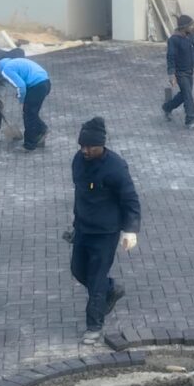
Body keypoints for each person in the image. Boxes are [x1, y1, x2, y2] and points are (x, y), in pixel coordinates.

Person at [69, 117, 141, 344]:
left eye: (90, 146)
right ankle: (112, 289)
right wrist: (76, 223)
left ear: (102, 145)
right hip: (83, 228)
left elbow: (130, 199)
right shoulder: (78, 161)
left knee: (96, 278)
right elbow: (80, 194)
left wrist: (130, 230)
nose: (85, 150)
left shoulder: (115, 167)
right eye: (82, 145)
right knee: (78, 270)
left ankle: (94, 325)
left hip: (105, 233)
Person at [0, 56, 51, 151]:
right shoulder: (10, 62)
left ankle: (29, 145)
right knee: (32, 113)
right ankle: (41, 131)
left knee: (28, 116)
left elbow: (21, 86)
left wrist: (21, 100)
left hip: (37, 86)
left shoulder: (6, 70)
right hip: (45, 82)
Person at [162, 14, 194, 129]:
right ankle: (190, 119)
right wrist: (171, 74)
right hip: (180, 73)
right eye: (190, 25)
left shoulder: (191, 37)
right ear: (184, 27)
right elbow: (170, 57)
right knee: (188, 95)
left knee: (184, 94)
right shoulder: (174, 40)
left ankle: (167, 107)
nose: (192, 27)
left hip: (189, 72)